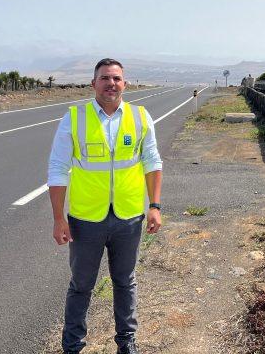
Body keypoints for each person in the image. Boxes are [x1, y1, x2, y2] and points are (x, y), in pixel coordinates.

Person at [47, 58, 162, 354]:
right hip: (86, 220)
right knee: (81, 285)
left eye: (116, 78)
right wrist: (59, 219)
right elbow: (58, 169)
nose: (111, 84)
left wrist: (155, 205)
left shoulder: (139, 116)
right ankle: (72, 346)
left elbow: (152, 161)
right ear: (93, 83)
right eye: (105, 78)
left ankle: (127, 343)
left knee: (125, 282)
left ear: (125, 83)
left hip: (128, 217)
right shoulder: (74, 117)